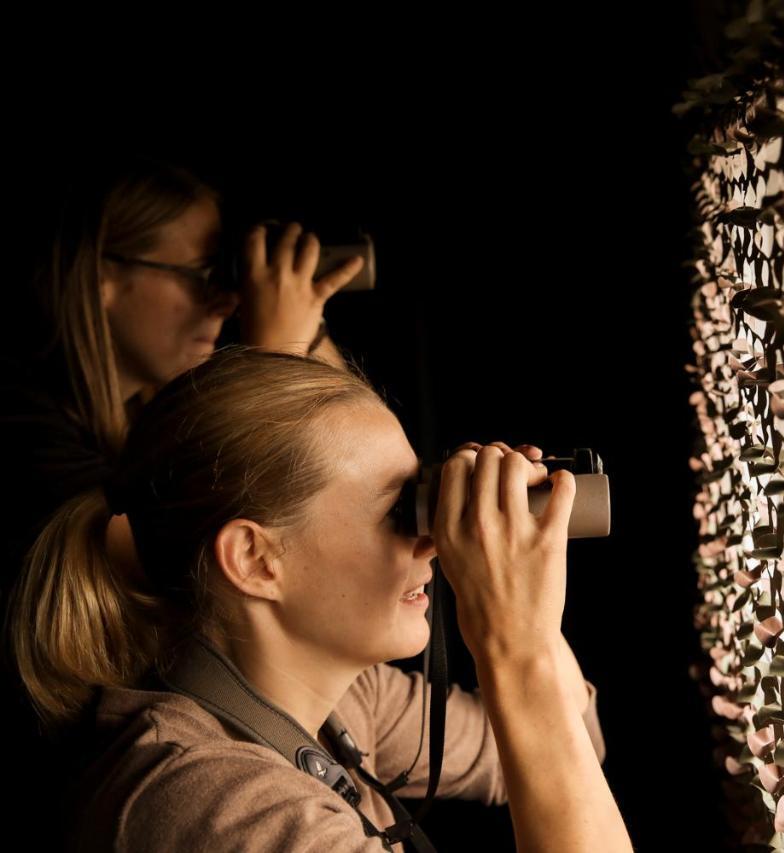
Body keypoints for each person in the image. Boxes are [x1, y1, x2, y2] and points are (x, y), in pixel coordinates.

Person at [6, 346, 630, 851]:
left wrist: (511, 557)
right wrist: (515, 647)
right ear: (255, 560)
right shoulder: (209, 807)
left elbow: (575, 738)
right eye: (398, 511)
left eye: (423, 498)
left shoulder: (343, 701)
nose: (434, 542)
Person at [0, 154, 368, 832]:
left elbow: (368, 466)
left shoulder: (133, 434)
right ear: (105, 277)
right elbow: (224, 555)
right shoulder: (21, 437)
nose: (227, 300)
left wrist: (303, 336)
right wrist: (279, 348)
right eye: (203, 276)